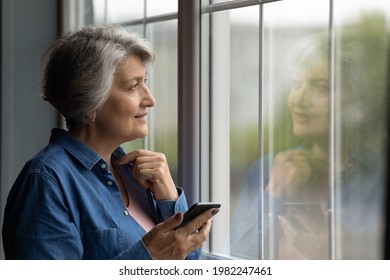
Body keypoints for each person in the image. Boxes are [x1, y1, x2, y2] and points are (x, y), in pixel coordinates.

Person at [2, 24, 219, 260]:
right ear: (91, 102)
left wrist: (169, 200)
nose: (150, 99)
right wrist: (149, 259)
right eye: (133, 86)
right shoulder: (46, 181)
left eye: (145, 81)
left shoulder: (138, 175)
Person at [231, 33, 384, 259]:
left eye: (321, 88)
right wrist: (272, 194)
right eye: (296, 83)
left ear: (358, 103)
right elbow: (232, 262)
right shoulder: (265, 170)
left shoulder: (378, 178)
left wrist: (344, 253)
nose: (298, 100)